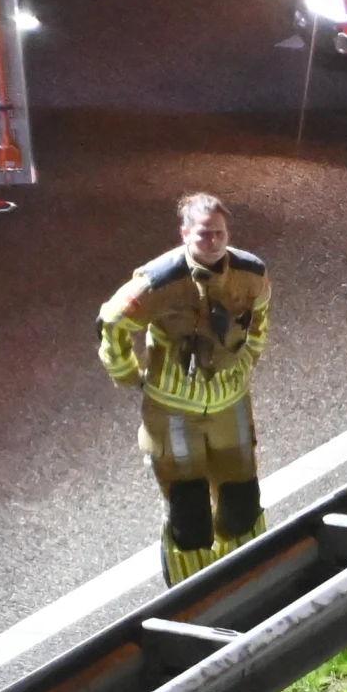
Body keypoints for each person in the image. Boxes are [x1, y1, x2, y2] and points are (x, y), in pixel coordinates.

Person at [99, 193, 273, 585]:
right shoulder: (159, 281)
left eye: (219, 233)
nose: (212, 241)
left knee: (242, 502)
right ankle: (195, 595)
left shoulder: (250, 272)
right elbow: (112, 321)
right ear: (184, 234)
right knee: (189, 508)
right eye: (203, 234)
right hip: (174, 410)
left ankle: (251, 584)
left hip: (230, 405)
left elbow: (260, 316)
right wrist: (127, 373)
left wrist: (248, 358)